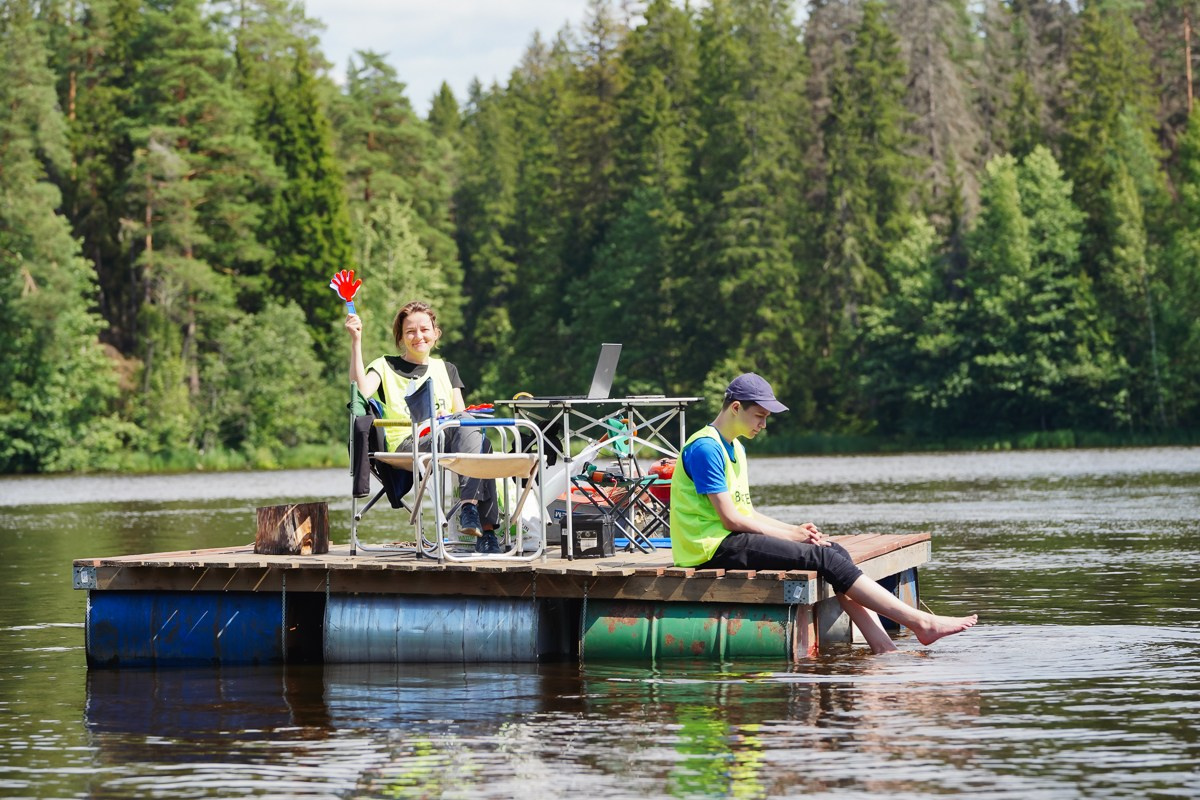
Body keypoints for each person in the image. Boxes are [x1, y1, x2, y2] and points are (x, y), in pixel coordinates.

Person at [670, 373, 977, 653]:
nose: (763, 424)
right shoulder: (706, 448)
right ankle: (921, 623)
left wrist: (796, 530)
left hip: (731, 539)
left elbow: (747, 511)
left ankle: (884, 648)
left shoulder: (735, 447)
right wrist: (792, 535)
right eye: (759, 416)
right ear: (735, 408)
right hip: (710, 548)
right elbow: (731, 520)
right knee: (825, 558)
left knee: (833, 550)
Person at [347, 300, 503, 554]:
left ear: (435, 333)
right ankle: (479, 522)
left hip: (443, 439)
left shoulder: (447, 369)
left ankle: (475, 518)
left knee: (480, 439)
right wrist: (356, 341)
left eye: (424, 329)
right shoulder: (384, 365)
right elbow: (360, 392)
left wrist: (446, 418)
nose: (418, 336)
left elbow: (461, 415)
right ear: (401, 337)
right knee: (473, 438)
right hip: (405, 445)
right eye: (410, 331)